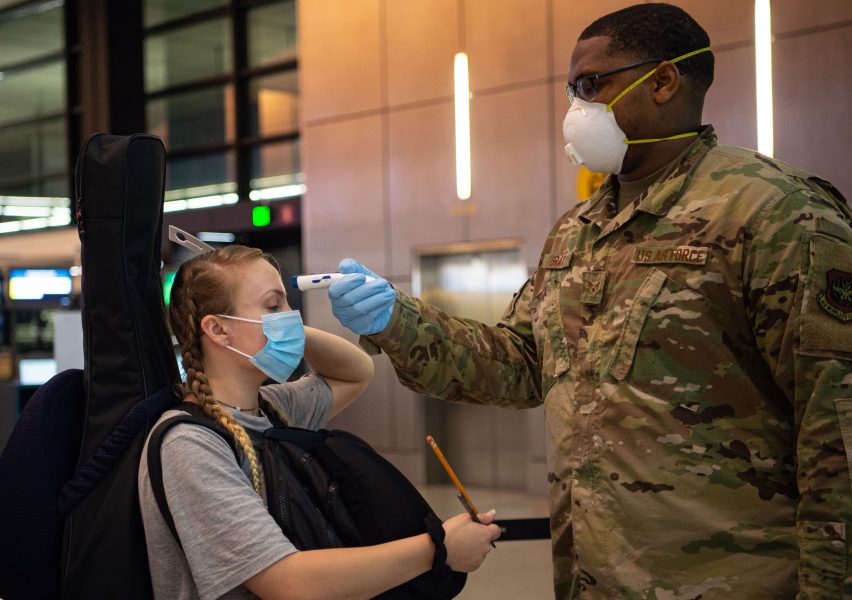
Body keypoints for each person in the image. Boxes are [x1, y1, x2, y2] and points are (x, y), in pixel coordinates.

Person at [325, 3, 852, 598]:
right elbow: (519, 365)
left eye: (591, 85)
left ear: (663, 81)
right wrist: (398, 319)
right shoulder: (577, 230)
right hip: (591, 578)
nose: (577, 107)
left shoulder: (774, 212)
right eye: (571, 90)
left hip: (728, 582)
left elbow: (835, 429)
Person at [137, 244, 501, 600]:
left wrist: (287, 328)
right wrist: (437, 549)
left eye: (288, 305)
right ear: (218, 330)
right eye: (273, 305)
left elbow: (355, 373)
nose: (291, 315)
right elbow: (288, 583)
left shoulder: (272, 408)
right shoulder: (190, 444)